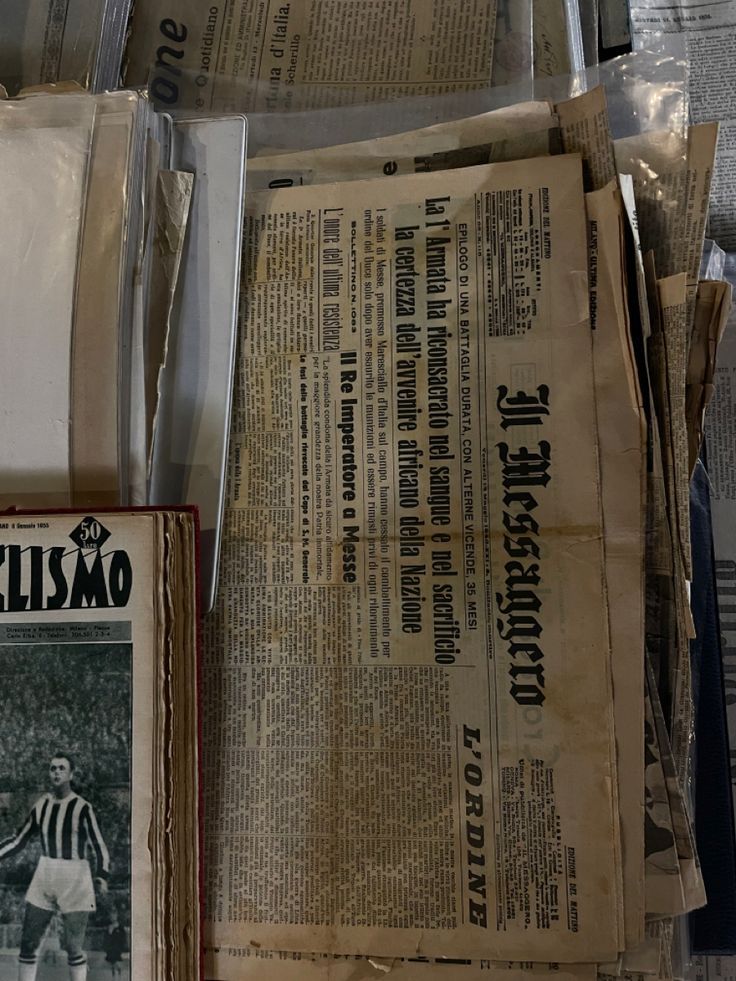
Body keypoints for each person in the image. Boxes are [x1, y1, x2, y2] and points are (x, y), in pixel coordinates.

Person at [0, 755, 109, 981]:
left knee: (72, 946)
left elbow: (99, 845)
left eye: (61, 768)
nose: (56, 772)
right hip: (46, 871)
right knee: (29, 942)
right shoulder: (42, 805)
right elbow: (19, 839)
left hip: (76, 876)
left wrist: (102, 876)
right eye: (52, 769)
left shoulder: (82, 808)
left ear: (70, 774)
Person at [102, 909, 127, 978]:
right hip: (110, 948)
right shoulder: (109, 927)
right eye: (111, 916)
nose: (112, 917)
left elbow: (123, 938)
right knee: (111, 962)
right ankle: (115, 974)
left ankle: (118, 972)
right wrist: (110, 933)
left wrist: (122, 947)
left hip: (117, 948)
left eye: (113, 915)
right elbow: (106, 938)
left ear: (116, 916)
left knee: (114, 961)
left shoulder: (120, 927)